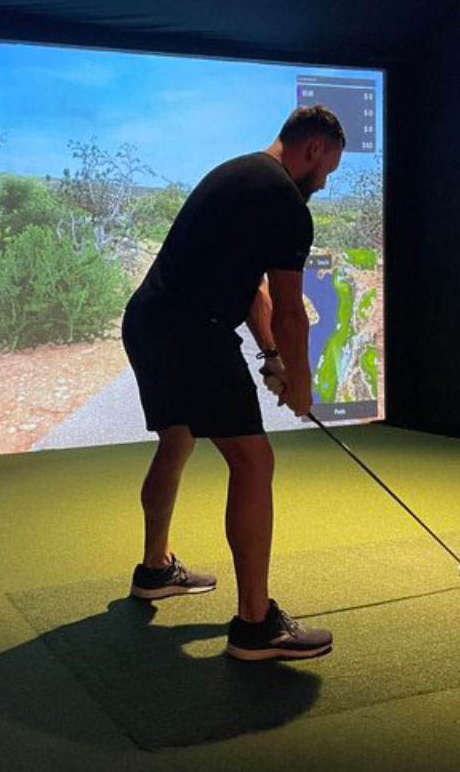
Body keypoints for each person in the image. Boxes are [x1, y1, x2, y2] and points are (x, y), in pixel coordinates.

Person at [122, 104, 345, 661]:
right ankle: (255, 625)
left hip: (149, 321)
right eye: (329, 168)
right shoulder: (286, 203)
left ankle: (155, 569)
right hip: (192, 333)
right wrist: (302, 385)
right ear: (313, 149)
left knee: (178, 437)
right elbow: (293, 311)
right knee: (254, 461)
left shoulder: (239, 174)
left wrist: (273, 356)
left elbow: (252, 291)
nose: (325, 181)